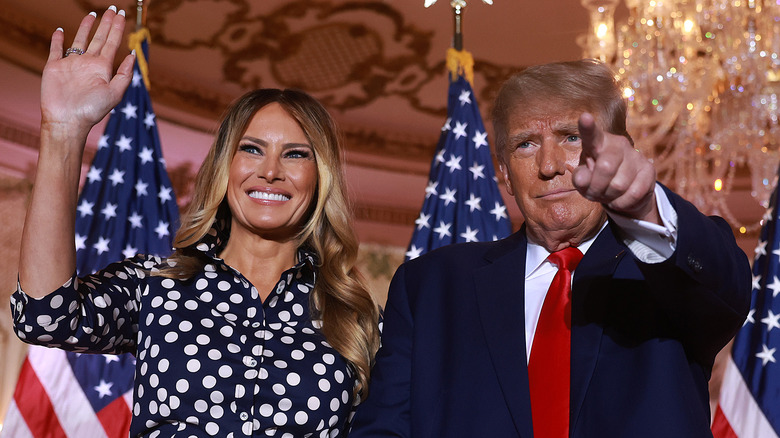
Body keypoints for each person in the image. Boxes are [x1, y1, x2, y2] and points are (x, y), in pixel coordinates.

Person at [10, 6, 380, 437]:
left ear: (321, 178)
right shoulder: (157, 284)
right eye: (252, 149)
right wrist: (63, 130)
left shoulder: (359, 319)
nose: (271, 171)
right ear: (225, 166)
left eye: (296, 154)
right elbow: (43, 317)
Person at [348, 59, 751, 437]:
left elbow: (725, 286)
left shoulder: (664, 267)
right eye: (525, 144)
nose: (549, 165)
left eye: (571, 137)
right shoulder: (431, 286)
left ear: (621, 152)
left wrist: (645, 206)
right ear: (504, 172)